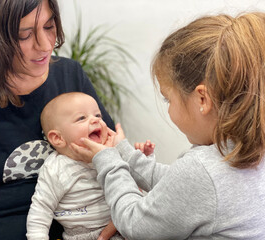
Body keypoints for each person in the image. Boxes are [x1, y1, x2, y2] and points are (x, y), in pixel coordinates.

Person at [70, 12, 265, 239]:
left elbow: (135, 225)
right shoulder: (246, 152)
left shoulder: (201, 171)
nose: (169, 109)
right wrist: (122, 150)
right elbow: (176, 185)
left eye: (168, 99)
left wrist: (108, 162)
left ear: (202, 99)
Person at [0, 0, 115, 240]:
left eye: (49, 26)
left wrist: (123, 214)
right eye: (24, 35)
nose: (46, 45)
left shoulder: (70, 76)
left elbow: (110, 156)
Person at [26, 92, 127, 240]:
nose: (95, 120)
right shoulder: (56, 169)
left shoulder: (109, 152)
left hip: (123, 226)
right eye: (82, 118)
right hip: (83, 236)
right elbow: (41, 211)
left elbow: (135, 183)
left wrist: (144, 155)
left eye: (98, 116)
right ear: (58, 138)